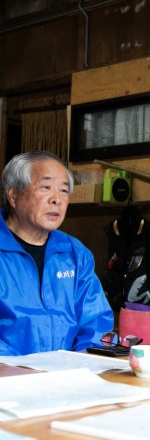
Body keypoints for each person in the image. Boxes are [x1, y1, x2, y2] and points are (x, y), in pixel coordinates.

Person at [0, 151, 114, 355]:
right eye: (46, 187)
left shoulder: (75, 253)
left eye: (64, 191)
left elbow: (95, 323)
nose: (57, 200)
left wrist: (81, 364)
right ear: (13, 195)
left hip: (66, 378)